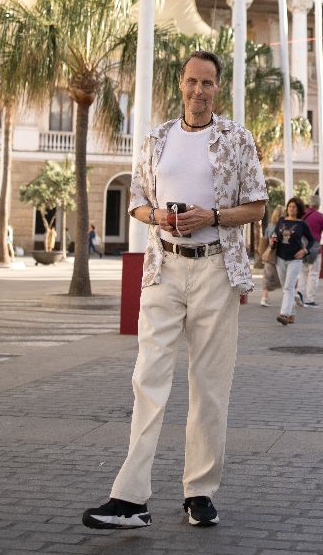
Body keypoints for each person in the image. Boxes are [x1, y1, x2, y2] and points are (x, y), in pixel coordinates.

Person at [82, 50, 266, 532]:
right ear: (180, 84)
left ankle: (200, 492)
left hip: (215, 272)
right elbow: (138, 203)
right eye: (191, 82)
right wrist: (160, 216)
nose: (198, 91)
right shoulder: (156, 139)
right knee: (148, 377)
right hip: (163, 268)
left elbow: (258, 206)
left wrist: (212, 217)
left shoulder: (236, 139)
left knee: (209, 386)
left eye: (208, 83)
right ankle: (130, 497)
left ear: (216, 89)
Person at [270, 196, 314, 325]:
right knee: (286, 288)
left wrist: (305, 251)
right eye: (289, 206)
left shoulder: (302, 224)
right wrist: (272, 241)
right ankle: (292, 313)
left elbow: (312, 240)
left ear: (298, 209)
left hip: (295, 260)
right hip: (280, 257)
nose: (291, 208)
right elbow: (274, 235)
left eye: (294, 207)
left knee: (289, 288)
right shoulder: (281, 221)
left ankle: (284, 314)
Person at [299, 193, 323, 307]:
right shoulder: (320, 216)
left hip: (301, 247)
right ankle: (309, 300)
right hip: (314, 248)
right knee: (313, 273)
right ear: (318, 205)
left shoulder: (302, 215)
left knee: (303, 273)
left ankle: (300, 295)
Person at [259, 205, 284, 306]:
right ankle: (290, 298)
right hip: (281, 253)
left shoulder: (270, 226)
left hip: (270, 253)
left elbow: (265, 239)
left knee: (267, 276)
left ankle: (264, 298)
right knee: (285, 276)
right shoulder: (284, 226)